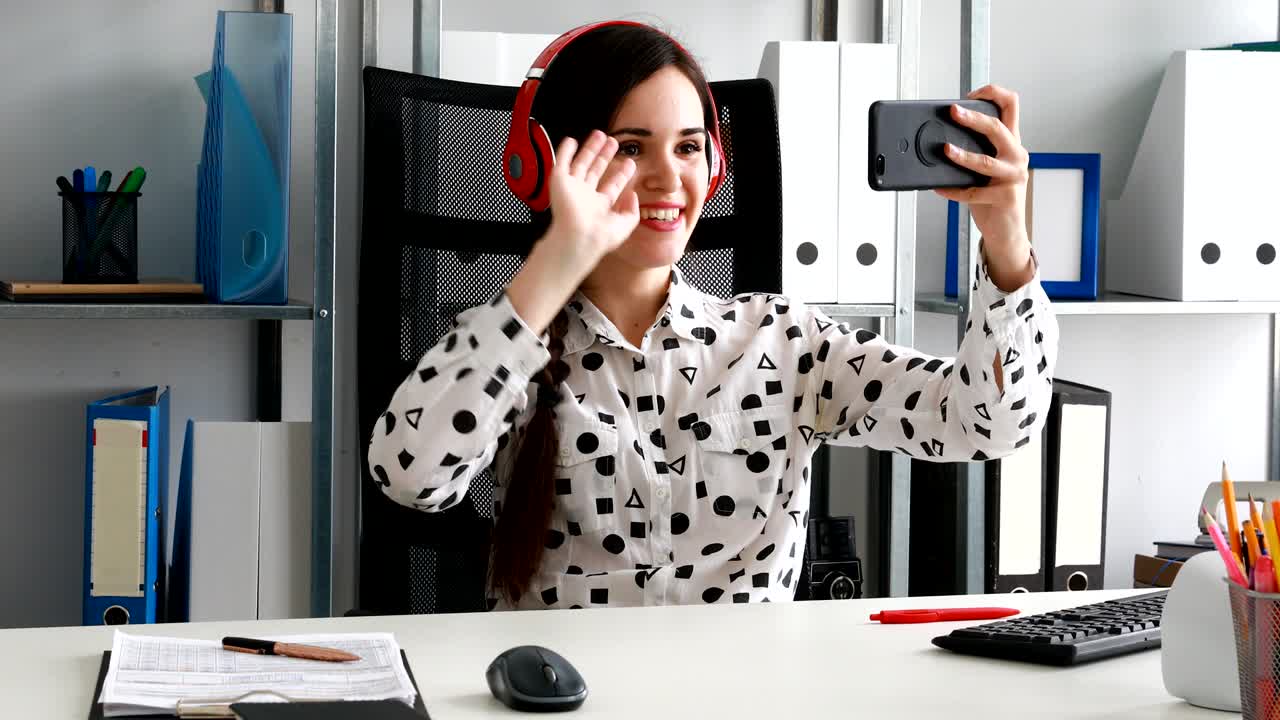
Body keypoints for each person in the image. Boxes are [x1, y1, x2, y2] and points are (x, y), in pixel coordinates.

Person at [367, 20, 1059, 611]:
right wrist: (555, 261)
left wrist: (1005, 236)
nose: (669, 178)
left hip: (743, 695)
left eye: (689, 146)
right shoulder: (506, 350)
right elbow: (409, 477)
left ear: (716, 164)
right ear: (547, 166)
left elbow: (990, 423)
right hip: (567, 694)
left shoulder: (783, 343)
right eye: (630, 147)